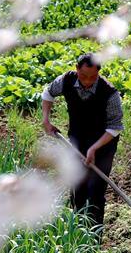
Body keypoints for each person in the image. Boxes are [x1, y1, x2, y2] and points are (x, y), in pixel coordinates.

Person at [41, 53, 123, 231]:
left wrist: (94, 148)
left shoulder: (110, 93)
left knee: (95, 191)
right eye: (83, 76)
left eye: (92, 77)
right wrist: (46, 120)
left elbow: (115, 127)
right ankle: (77, 231)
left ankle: (94, 238)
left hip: (103, 146)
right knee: (77, 186)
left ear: (98, 73)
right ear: (77, 69)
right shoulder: (66, 80)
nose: (87, 81)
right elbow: (48, 93)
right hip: (76, 140)